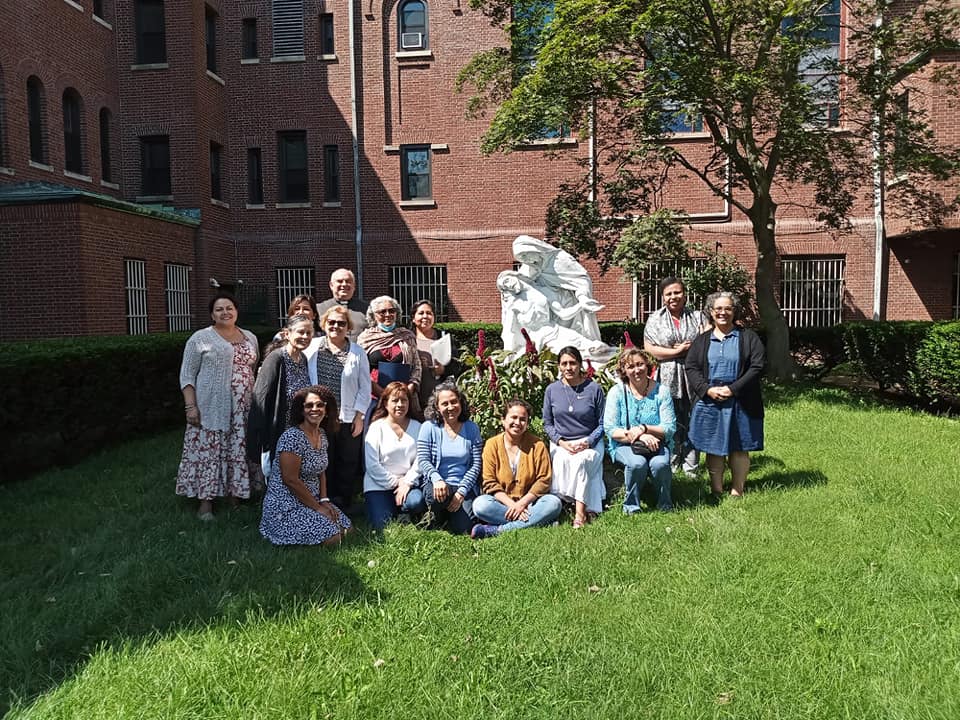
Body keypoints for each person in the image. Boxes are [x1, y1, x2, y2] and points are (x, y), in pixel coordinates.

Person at [176, 293, 260, 521]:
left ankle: (235, 497)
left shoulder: (250, 337)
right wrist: (190, 407)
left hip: (243, 409)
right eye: (219, 309)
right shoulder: (200, 338)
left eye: (229, 308)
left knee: (237, 451)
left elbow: (253, 369)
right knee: (210, 452)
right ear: (212, 314)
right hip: (211, 407)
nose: (225, 312)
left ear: (236, 310)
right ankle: (206, 505)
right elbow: (187, 375)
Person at [686, 291, 765, 501]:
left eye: (727, 308)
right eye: (718, 309)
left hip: (741, 400)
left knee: (739, 447)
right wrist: (707, 390)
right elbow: (691, 367)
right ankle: (716, 490)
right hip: (710, 401)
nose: (723, 313)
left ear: (734, 311)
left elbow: (757, 366)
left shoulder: (748, 337)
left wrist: (733, 389)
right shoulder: (702, 341)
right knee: (714, 447)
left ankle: (737, 490)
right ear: (711, 312)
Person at [259, 385, 352, 546]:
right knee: (333, 537)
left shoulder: (322, 435)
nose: (314, 409)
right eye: (309, 405)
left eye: (319, 405)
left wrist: (324, 500)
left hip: (312, 500)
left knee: (347, 529)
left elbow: (321, 470)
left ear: (327, 409)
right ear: (301, 411)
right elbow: (290, 480)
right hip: (286, 506)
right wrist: (317, 508)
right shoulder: (292, 437)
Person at [644, 277, 708, 477]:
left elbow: (706, 343)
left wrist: (689, 350)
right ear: (663, 298)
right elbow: (651, 350)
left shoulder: (698, 317)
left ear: (685, 294)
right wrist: (678, 352)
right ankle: (671, 462)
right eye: (669, 294)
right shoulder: (655, 319)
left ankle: (691, 466)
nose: (674, 297)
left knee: (693, 419)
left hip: (694, 376)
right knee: (670, 420)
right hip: (667, 377)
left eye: (677, 292)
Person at [471, 399, 563, 539]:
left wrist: (522, 504)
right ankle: (540, 521)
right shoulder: (492, 445)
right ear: (503, 420)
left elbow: (543, 480)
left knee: (553, 503)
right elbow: (489, 482)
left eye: (522, 419)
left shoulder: (537, 445)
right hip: (502, 504)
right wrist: (513, 506)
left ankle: (497, 530)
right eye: (513, 417)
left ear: (527, 423)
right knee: (480, 505)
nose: (517, 423)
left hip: (531, 504)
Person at [310, 304, 371, 508]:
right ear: (324, 324)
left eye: (341, 323)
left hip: (347, 417)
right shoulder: (312, 347)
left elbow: (365, 386)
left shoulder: (357, 352)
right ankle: (323, 502)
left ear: (348, 327)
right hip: (319, 417)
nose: (336, 326)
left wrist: (359, 416)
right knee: (323, 460)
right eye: (332, 322)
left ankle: (344, 503)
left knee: (347, 461)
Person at [604, 348, 676, 513]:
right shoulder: (617, 393)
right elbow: (610, 429)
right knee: (637, 464)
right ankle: (631, 506)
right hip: (624, 445)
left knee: (660, 464)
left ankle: (665, 503)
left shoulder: (661, 392)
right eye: (631, 367)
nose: (636, 370)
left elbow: (669, 427)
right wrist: (639, 437)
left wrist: (645, 429)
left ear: (647, 365)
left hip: (657, 444)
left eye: (640, 364)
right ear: (624, 371)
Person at [542, 346, 606, 527]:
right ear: (558, 366)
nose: (568, 367)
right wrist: (561, 442)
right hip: (561, 442)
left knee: (581, 462)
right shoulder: (551, 390)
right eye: (564, 364)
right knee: (563, 460)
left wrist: (588, 441)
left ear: (579, 365)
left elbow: (603, 424)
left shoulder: (594, 389)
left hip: (590, 441)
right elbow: (547, 423)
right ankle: (574, 506)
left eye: (573, 363)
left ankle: (579, 514)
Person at [247, 314, 316, 474]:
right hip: (279, 431)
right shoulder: (276, 358)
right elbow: (260, 397)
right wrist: (259, 435)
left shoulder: (303, 358)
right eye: (300, 332)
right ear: (287, 334)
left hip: (299, 431)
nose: (305, 337)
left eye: (309, 333)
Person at [417, 380, 483, 534]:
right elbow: (423, 459)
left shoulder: (471, 428)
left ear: (461, 402)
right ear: (437, 407)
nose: (450, 407)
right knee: (434, 498)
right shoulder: (428, 427)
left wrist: (462, 492)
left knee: (464, 529)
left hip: (462, 485)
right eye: (445, 404)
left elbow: (475, 464)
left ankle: (448, 515)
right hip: (438, 485)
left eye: (454, 402)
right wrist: (437, 479)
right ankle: (435, 515)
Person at [511, 234, 605, 342]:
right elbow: (522, 283)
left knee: (568, 338)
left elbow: (582, 280)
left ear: (534, 248)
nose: (525, 260)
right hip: (548, 307)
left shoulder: (560, 259)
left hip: (567, 302)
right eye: (521, 258)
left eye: (525, 255)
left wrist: (583, 298)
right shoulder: (529, 266)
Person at [363, 382, 427, 530]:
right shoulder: (376, 427)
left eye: (404, 400)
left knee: (416, 502)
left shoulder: (418, 427)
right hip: (378, 484)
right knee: (383, 526)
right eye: (395, 400)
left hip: (408, 483)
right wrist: (397, 483)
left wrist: (407, 482)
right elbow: (372, 465)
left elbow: (421, 460)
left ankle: (404, 511)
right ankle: (378, 506)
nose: (400, 404)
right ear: (385, 403)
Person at [358, 295, 423, 419]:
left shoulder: (407, 336)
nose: (388, 314)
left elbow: (417, 365)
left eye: (392, 311)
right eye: (382, 311)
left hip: (403, 398)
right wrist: (381, 392)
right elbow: (360, 369)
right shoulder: (364, 338)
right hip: (374, 397)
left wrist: (411, 387)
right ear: (373, 315)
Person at [410, 298, 462, 412]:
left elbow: (458, 366)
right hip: (415, 400)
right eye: (421, 313)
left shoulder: (444, 339)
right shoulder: (408, 340)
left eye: (429, 313)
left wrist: (444, 370)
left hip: (441, 401)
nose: (425, 316)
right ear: (413, 318)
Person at [316, 268, 367, 344]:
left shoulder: (367, 309)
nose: (344, 284)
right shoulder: (319, 309)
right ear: (331, 285)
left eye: (348, 281)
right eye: (340, 281)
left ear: (354, 286)